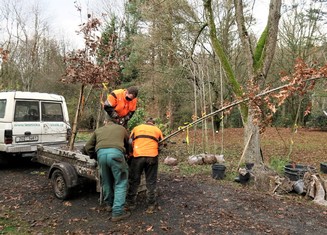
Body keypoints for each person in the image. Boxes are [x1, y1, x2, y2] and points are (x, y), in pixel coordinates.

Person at [83, 115, 131, 222]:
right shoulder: (122, 129)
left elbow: (87, 147)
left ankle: (109, 205)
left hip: (101, 156)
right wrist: (128, 154)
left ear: (105, 121)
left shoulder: (98, 130)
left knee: (106, 181)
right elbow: (129, 143)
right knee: (121, 182)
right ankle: (118, 212)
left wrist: (94, 156)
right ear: (117, 121)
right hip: (116, 155)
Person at [125, 117, 164, 213]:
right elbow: (162, 144)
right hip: (152, 157)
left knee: (134, 180)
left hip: (138, 156)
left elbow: (130, 142)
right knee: (151, 181)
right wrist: (157, 151)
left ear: (145, 122)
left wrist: (130, 154)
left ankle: (130, 204)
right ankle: (151, 205)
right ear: (153, 123)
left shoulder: (137, 128)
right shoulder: (157, 130)